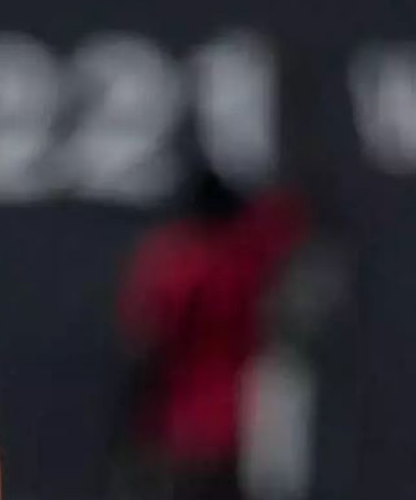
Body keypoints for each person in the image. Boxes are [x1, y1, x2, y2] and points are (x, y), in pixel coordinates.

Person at [114, 167, 306, 500]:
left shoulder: (181, 265)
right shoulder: (248, 257)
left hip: (195, 429)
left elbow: (148, 340)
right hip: (244, 426)